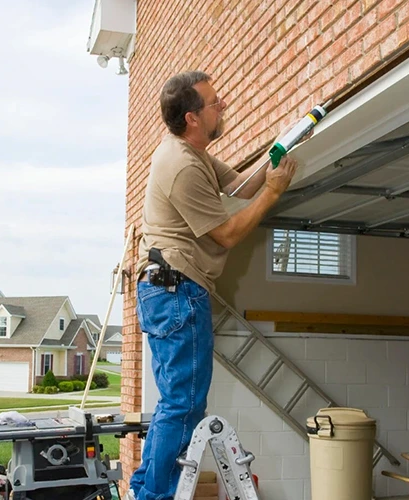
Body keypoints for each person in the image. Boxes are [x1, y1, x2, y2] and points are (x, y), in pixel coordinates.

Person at [127, 71, 297, 500]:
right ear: (193, 118)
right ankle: (154, 496)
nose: (223, 106)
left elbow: (238, 184)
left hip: (169, 290)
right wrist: (273, 194)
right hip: (175, 291)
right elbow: (227, 233)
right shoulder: (181, 165)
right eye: (215, 103)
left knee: (176, 404)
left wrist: (277, 154)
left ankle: (146, 489)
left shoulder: (192, 152)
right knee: (183, 405)